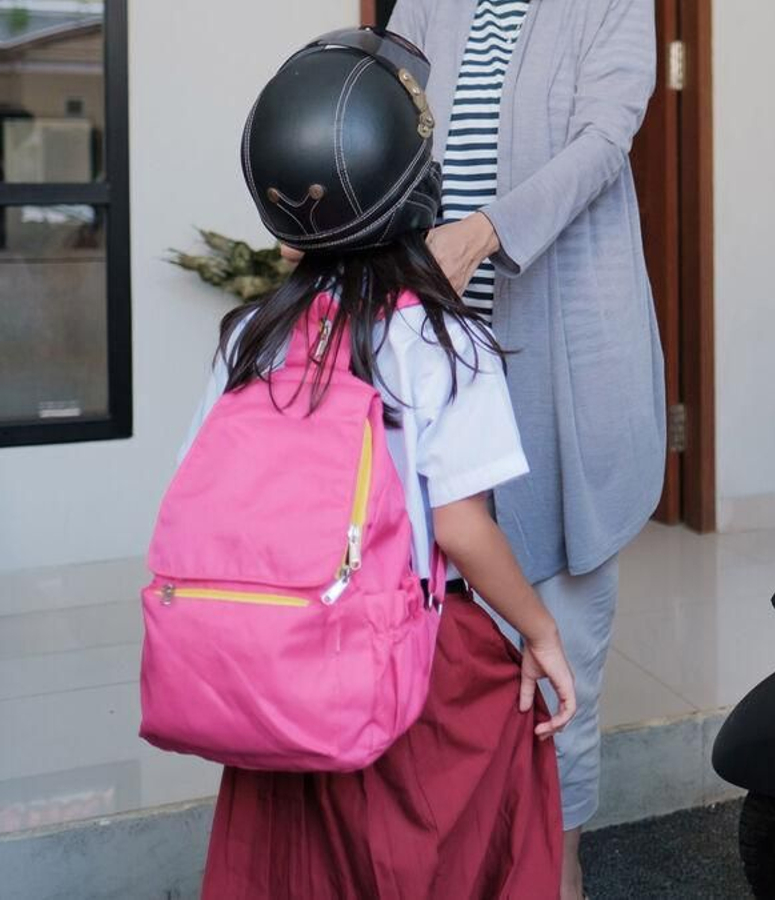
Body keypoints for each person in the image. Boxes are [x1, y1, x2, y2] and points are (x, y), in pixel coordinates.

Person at [194, 30, 576, 898]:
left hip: (282, 652)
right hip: (411, 656)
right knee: (468, 812)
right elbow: (460, 526)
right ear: (416, 191)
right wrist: (540, 632)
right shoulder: (441, 337)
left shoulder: (248, 337)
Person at [386, 3, 666, 896]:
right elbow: (389, 119)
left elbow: (603, 139)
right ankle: (460, 856)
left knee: (561, 649)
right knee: (431, 641)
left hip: (566, 364)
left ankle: (557, 866)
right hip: (438, 362)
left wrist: (485, 230)